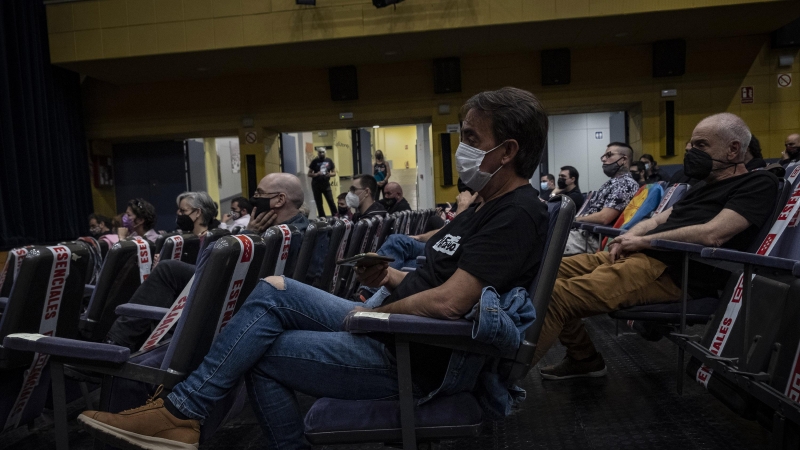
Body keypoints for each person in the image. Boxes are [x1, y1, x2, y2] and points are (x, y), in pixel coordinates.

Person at [78, 87, 551, 450]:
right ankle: (181, 414)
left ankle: (182, 414)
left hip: (416, 354)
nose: (462, 147)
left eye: (471, 138)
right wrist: (388, 278)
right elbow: (441, 280)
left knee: (260, 350)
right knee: (274, 288)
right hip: (399, 325)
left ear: (507, 151)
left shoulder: (515, 212)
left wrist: (374, 316)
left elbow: (452, 303)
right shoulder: (483, 206)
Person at [535, 113, 778, 380]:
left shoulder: (758, 183)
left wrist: (644, 241)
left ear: (733, 149)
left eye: (700, 146)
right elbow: (658, 219)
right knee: (543, 274)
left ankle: (502, 379)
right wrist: (626, 238)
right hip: (637, 256)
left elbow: (714, 234)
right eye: (690, 146)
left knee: (556, 296)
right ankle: (584, 359)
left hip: (673, 270)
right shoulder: (700, 186)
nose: (690, 152)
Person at [104, 174, 307, 352]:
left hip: (247, 302)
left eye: (259, 194)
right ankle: (131, 343)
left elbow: (233, 270)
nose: (254, 201)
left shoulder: (285, 235)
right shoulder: (295, 229)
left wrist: (249, 235)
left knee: (168, 269)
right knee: (171, 270)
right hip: (256, 297)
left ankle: (115, 344)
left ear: (280, 200)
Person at [563, 143, 639, 255]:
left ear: (623, 160)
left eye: (609, 155)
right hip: (583, 234)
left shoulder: (626, 183)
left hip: (592, 240)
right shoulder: (612, 183)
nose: (603, 159)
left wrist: (575, 220)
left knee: (544, 245)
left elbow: (605, 217)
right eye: (603, 156)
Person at [308, 149, 337, 217]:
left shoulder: (329, 161)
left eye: (322, 152)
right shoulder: (314, 161)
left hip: (326, 184)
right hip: (316, 185)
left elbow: (334, 173)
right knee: (319, 203)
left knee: (330, 201)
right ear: (317, 153)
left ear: (325, 153)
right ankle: (322, 217)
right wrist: (316, 174)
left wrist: (329, 174)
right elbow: (309, 174)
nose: (321, 154)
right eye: (319, 152)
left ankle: (335, 216)